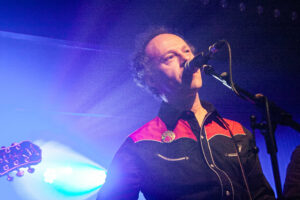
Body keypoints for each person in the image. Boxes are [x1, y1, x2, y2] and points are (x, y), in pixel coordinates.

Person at [96, 27, 275, 199]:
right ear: (150, 78)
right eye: (170, 57)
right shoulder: (139, 144)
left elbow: (261, 195)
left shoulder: (237, 131)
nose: (186, 60)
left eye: (187, 51)